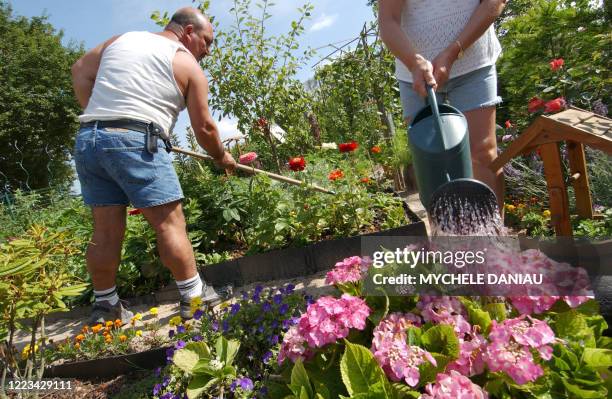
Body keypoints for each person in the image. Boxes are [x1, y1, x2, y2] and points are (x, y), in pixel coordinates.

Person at [71, 7, 237, 324]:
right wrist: (221, 156)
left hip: (89, 141)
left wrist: (106, 119)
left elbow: (79, 70)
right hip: (136, 140)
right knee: (169, 224)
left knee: (104, 231)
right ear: (189, 32)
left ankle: (106, 308)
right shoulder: (186, 62)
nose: (208, 50)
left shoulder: (121, 40)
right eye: (207, 41)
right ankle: (195, 300)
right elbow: (205, 129)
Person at [379, 0, 507, 210]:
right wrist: (414, 63)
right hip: (416, 75)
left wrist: (453, 51)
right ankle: (448, 241)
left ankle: (492, 238)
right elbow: (388, 20)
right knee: (431, 165)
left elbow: (494, 3)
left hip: (474, 63)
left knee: (482, 154)